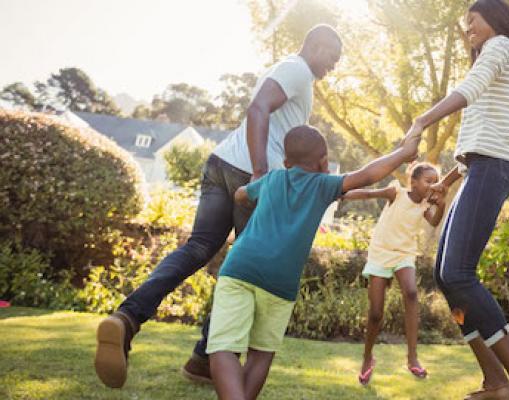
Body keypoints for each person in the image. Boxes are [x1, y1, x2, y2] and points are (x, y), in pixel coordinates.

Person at [94, 25, 342, 388]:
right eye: (332, 56)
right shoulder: (298, 70)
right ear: (316, 45)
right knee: (243, 271)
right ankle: (207, 357)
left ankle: (132, 321)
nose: (333, 65)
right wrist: (259, 173)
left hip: (221, 163)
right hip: (249, 174)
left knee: (199, 248)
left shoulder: (287, 69)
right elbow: (258, 109)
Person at [404, 1, 509, 399]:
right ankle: (495, 382)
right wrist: (448, 180)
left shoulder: (501, 46)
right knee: (445, 275)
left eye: (474, 20)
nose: (467, 27)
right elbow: (479, 136)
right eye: (465, 22)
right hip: (482, 166)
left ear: (497, 20)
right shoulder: (492, 55)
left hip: (495, 167)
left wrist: (421, 121)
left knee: (458, 273)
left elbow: (467, 94)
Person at [207, 125, 420, 400]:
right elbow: (367, 174)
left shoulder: (273, 179)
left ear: (286, 162)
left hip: (241, 269)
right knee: (261, 354)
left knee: (223, 349)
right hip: (280, 283)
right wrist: (403, 152)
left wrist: (246, 194)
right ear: (323, 163)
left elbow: (240, 194)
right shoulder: (324, 185)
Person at [341, 163, 445, 385]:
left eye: (435, 181)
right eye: (428, 180)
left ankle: (412, 357)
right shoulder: (395, 192)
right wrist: (342, 194)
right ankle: (368, 357)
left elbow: (434, 221)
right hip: (380, 253)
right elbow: (368, 193)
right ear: (413, 182)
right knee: (376, 313)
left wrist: (442, 204)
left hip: (404, 254)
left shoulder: (427, 204)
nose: (432, 185)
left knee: (411, 293)